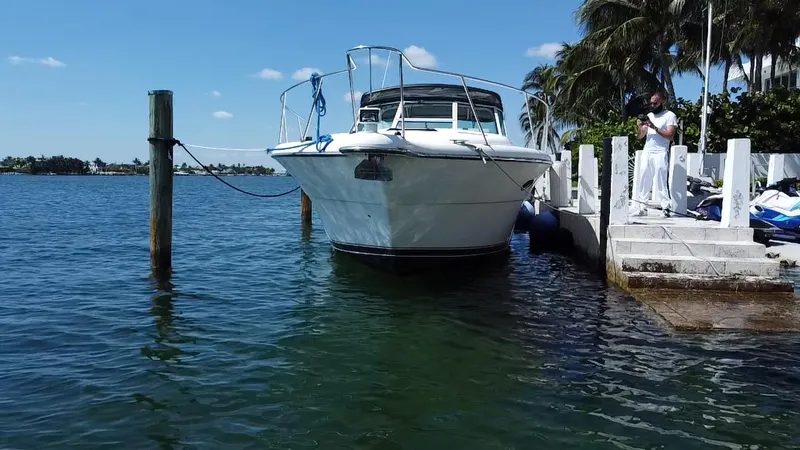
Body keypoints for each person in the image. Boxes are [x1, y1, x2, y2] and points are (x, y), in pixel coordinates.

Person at [632, 91, 678, 217]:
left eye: (655, 103)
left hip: (661, 151)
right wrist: (640, 127)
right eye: (651, 103)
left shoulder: (670, 116)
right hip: (648, 150)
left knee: (661, 179)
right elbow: (640, 137)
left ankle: (666, 207)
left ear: (663, 102)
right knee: (644, 178)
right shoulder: (649, 115)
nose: (652, 105)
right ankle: (642, 207)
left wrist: (654, 127)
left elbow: (670, 135)